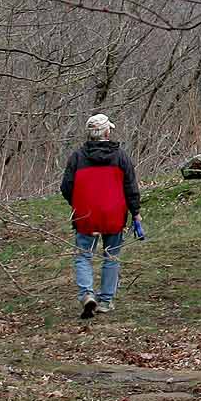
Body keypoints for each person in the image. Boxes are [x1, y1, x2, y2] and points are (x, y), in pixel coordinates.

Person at [61, 113, 142, 319]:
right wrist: (136, 213)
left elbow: (66, 187)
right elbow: (131, 187)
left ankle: (87, 293)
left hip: (85, 215)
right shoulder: (120, 156)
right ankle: (105, 300)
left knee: (83, 256)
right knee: (111, 256)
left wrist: (77, 204)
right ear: (107, 132)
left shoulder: (77, 157)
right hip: (114, 215)